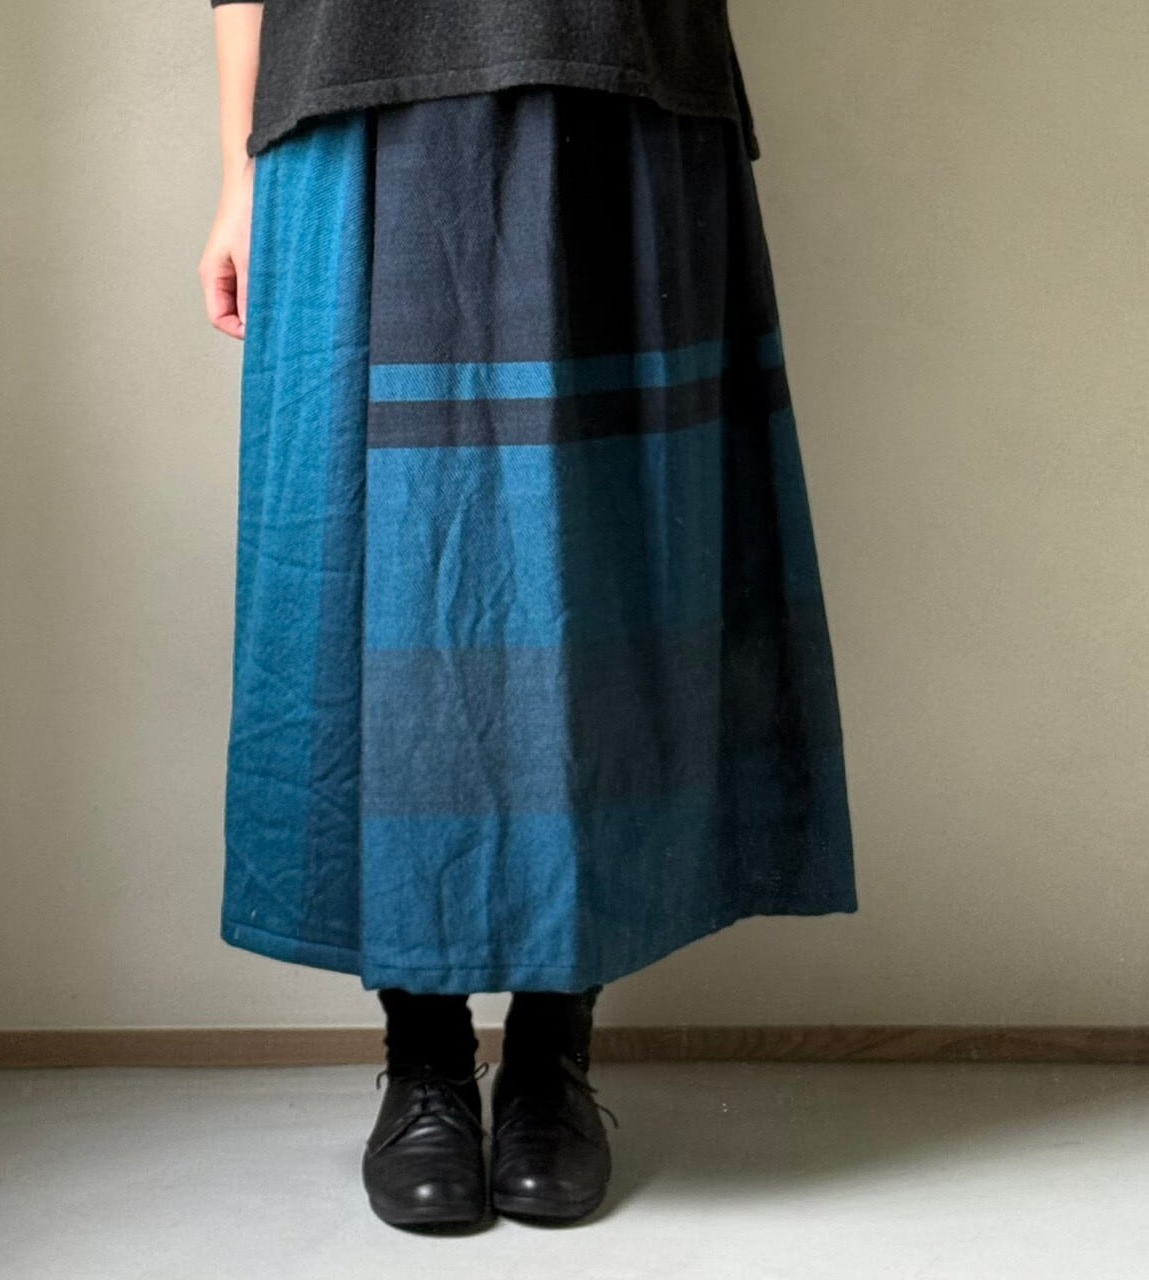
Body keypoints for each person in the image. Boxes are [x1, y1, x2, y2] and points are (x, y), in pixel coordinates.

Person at [199, 0, 858, 1232]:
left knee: (604, 584)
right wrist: (237, 171)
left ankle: (554, 1049)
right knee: (376, 584)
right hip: (348, 95)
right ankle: (426, 1058)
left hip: (615, 82)